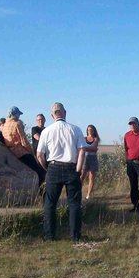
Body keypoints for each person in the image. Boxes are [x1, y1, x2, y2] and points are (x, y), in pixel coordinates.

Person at [36, 102, 86, 241]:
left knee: (50, 203)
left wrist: (46, 168)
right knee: (74, 203)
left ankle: (49, 235)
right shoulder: (75, 129)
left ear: (52, 115)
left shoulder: (46, 131)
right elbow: (82, 150)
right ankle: (75, 236)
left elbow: (39, 154)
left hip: (53, 167)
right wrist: (79, 169)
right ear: (65, 113)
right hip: (71, 167)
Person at [2, 106, 46, 185]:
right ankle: (41, 191)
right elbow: (24, 141)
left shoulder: (4, 125)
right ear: (15, 115)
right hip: (20, 152)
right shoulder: (17, 124)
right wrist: (31, 153)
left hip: (9, 151)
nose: (19, 116)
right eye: (18, 114)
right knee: (38, 171)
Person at [81, 125, 100, 200]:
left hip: (93, 158)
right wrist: (92, 149)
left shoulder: (96, 139)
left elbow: (94, 148)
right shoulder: (84, 139)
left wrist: (86, 148)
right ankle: (78, 192)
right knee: (82, 176)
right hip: (85, 158)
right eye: (88, 130)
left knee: (91, 177)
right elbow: (83, 148)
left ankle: (88, 195)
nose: (90, 131)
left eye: (91, 129)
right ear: (87, 131)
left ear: (94, 130)